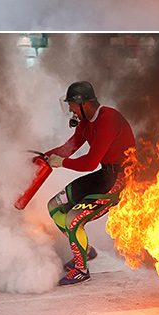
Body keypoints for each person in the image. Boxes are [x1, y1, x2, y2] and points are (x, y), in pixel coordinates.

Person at [45, 80, 136, 286]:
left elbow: (89, 163)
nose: (70, 110)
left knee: (73, 219)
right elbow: (69, 148)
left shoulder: (109, 119)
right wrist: (44, 157)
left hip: (119, 179)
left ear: (84, 104)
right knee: (54, 206)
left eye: (72, 106)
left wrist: (61, 163)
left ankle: (81, 270)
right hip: (104, 174)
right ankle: (84, 250)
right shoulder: (86, 122)